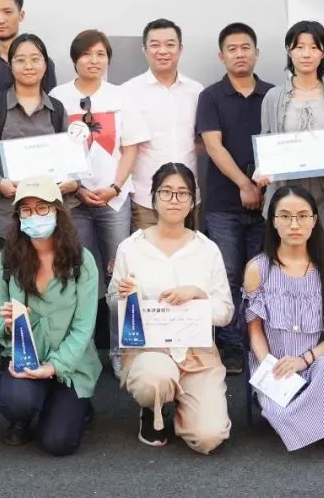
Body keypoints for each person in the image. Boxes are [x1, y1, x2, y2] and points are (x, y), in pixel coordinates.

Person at [0, 34, 77, 372]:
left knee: (43, 282)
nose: (28, 65)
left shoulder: (57, 110)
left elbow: (70, 165)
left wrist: (70, 183)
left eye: (35, 59)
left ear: (46, 65)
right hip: (2, 216)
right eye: (20, 59)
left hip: (45, 220)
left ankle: (45, 347)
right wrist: (1, 184)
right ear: (10, 65)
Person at [109, 163, 233, 454]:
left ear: (192, 201)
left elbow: (226, 311)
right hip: (149, 350)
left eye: (182, 193)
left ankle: (184, 403)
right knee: (155, 379)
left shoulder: (207, 249)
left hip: (196, 353)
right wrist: (125, 296)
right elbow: (113, 303)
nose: (174, 200)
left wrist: (198, 295)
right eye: (166, 192)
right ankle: (153, 407)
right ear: (153, 198)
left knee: (209, 437)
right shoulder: (131, 247)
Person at [50, 29, 150, 379]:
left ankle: (122, 350)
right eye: (87, 54)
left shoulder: (120, 96)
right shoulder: (58, 97)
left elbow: (131, 148)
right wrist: (77, 189)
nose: (94, 61)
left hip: (114, 201)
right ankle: (84, 349)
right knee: (79, 274)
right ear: (74, 59)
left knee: (119, 275)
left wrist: (114, 186)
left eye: (101, 55)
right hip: (73, 201)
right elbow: (53, 150)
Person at [243, 185, 324, 453]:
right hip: (275, 365)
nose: (294, 224)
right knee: (279, 411)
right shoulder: (257, 268)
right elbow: (255, 331)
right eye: (285, 216)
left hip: (315, 362)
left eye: (302, 216)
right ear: (273, 221)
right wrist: (270, 365)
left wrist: (304, 360)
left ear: (314, 220)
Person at [0, 175, 101, 455]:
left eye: (42, 208)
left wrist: (54, 367)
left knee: (58, 443)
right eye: (26, 210)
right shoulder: (5, 261)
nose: (34, 216)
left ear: (58, 212)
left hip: (71, 364)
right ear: (18, 216)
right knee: (18, 402)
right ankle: (25, 416)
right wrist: (8, 326)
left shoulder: (82, 261)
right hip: (26, 358)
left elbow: (84, 326)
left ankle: (72, 402)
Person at [196, 22, 273, 374]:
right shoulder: (210, 96)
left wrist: (262, 188)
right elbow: (213, 146)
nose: (239, 54)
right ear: (221, 56)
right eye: (232, 49)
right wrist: (245, 184)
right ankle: (229, 345)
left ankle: (259, 341)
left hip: (269, 203)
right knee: (226, 274)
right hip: (223, 203)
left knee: (261, 274)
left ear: (256, 52)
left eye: (245, 47)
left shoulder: (273, 95)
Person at [258, 21, 324, 264]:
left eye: (314, 47)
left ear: (323, 53)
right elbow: (266, 142)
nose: (306, 54)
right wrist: (263, 168)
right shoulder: (273, 97)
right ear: (288, 50)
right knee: (288, 261)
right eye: (299, 47)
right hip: (286, 190)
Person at [122, 20, 204, 230]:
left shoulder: (196, 91)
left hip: (187, 197)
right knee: (146, 250)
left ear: (180, 49)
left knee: (189, 250)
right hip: (145, 198)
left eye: (170, 44)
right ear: (144, 50)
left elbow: (203, 141)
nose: (163, 51)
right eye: (155, 45)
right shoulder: (128, 91)